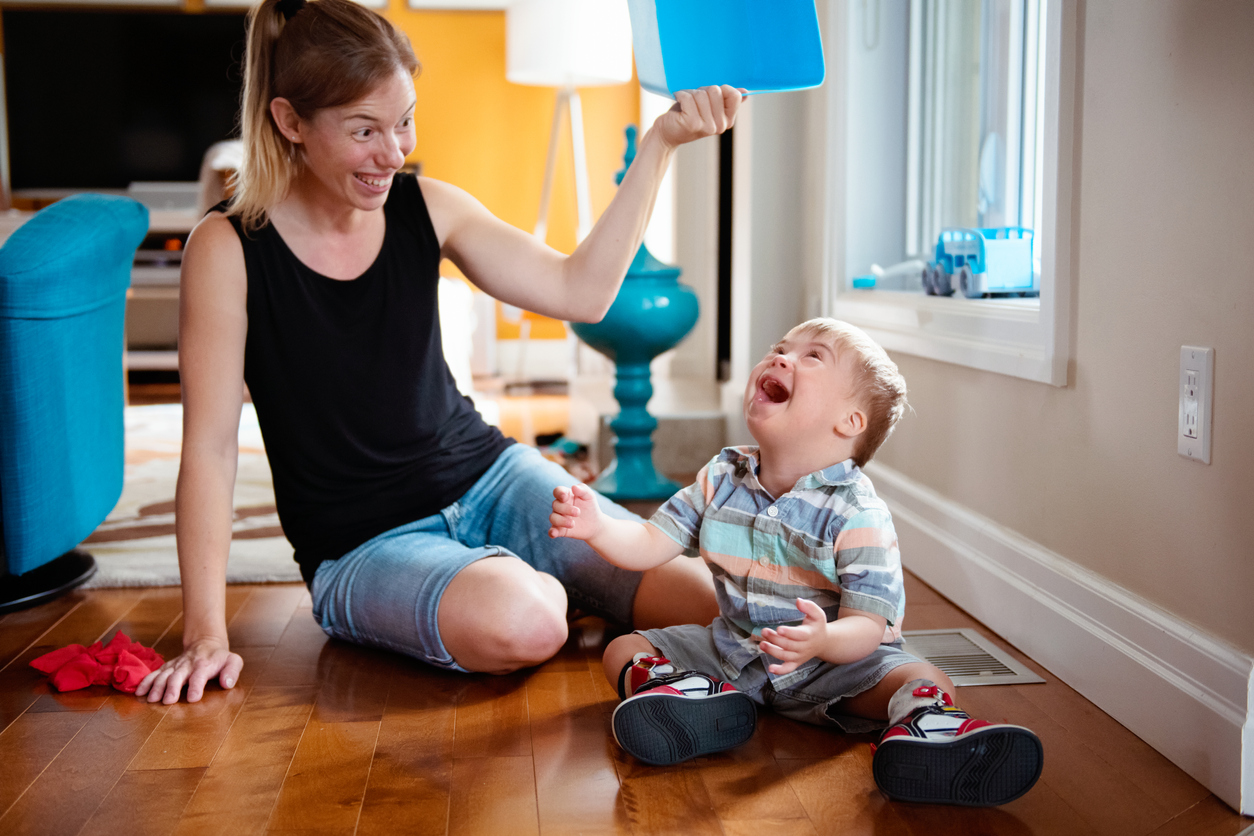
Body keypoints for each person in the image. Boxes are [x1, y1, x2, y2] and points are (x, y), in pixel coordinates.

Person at [136, 0, 741, 704]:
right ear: (289, 121)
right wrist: (206, 635)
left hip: (494, 479)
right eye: (364, 130)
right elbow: (208, 448)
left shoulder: (426, 205)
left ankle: (578, 602)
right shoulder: (228, 247)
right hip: (364, 544)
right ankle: (548, 591)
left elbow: (582, 293)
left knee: (707, 601)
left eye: (404, 121)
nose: (393, 153)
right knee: (527, 621)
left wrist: (660, 144)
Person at [549, 318, 1044, 806]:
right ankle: (685, 695)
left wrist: (824, 640)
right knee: (623, 647)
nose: (781, 357)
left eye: (812, 357)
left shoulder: (857, 512)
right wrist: (597, 528)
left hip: (834, 665)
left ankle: (929, 727)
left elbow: (869, 625)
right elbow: (650, 543)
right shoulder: (722, 476)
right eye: (779, 347)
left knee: (918, 674)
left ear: (849, 422)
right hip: (733, 653)